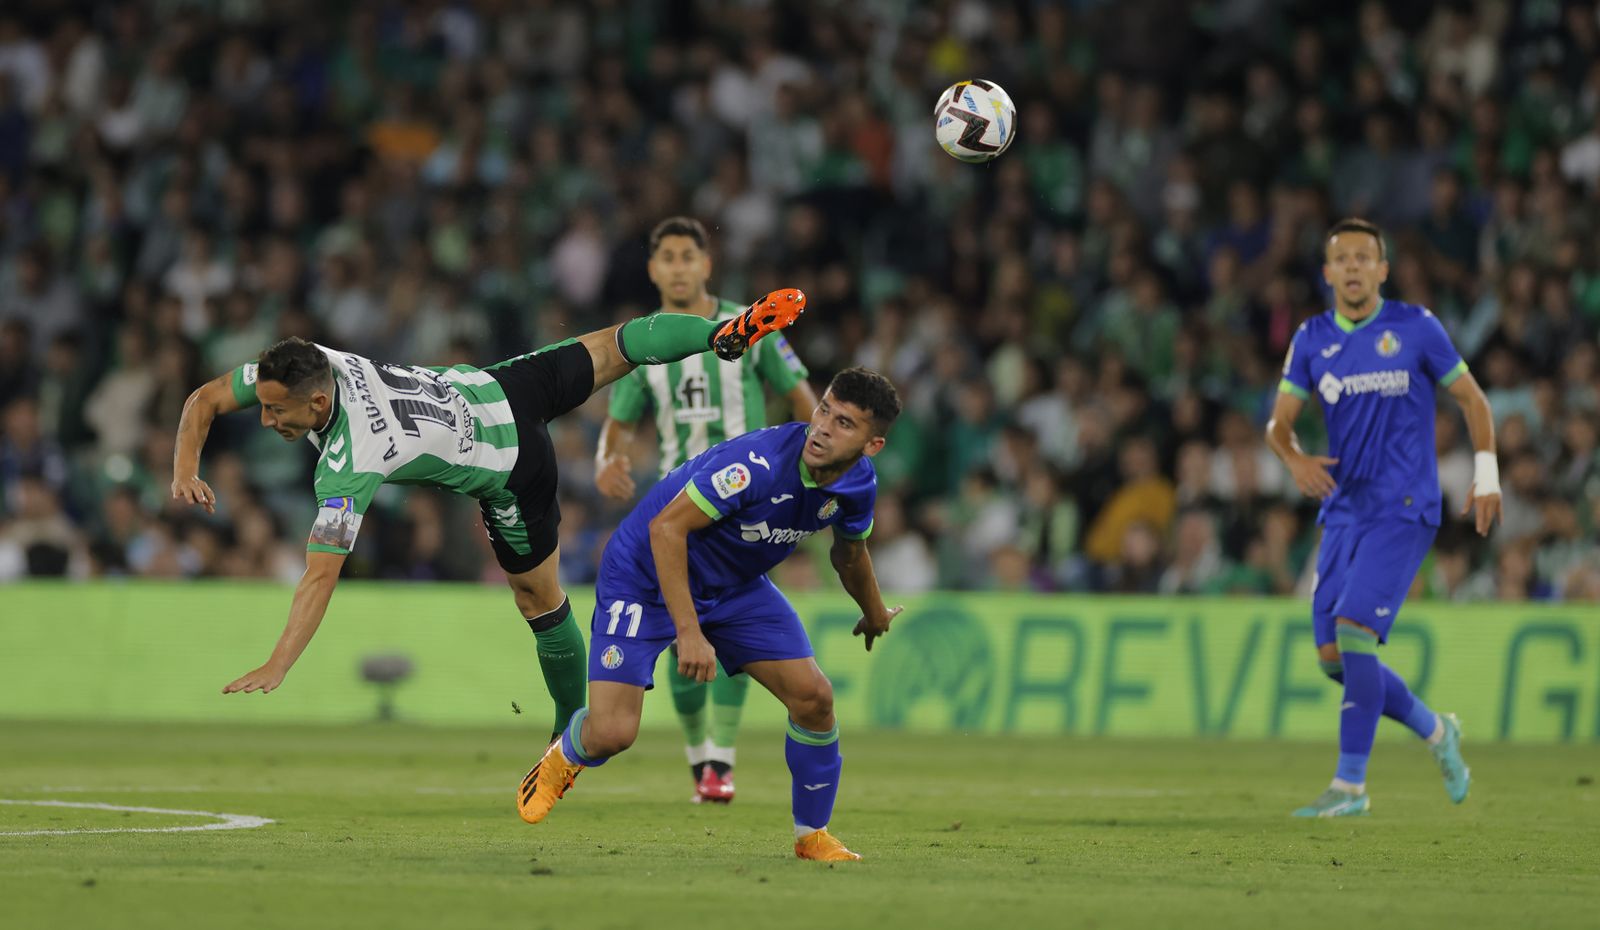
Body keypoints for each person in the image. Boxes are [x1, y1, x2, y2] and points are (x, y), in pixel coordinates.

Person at [169, 291, 807, 747]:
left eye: (276, 411)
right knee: (618, 344)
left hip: (512, 468)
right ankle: (721, 332)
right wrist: (184, 468)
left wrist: (279, 663)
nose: (265, 418)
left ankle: (569, 732)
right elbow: (206, 399)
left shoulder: (348, 460)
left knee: (540, 599)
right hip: (500, 386)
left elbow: (319, 576)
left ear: (316, 401)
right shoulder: (312, 362)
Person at [517, 368, 904, 862]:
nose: (823, 426)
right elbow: (665, 531)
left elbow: (850, 554)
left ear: (872, 445)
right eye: (823, 408)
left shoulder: (858, 486)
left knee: (814, 698)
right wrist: (690, 633)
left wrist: (873, 613)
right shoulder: (757, 464)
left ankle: (812, 836)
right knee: (612, 733)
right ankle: (562, 757)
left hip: (733, 586)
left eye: (844, 423)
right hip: (644, 576)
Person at [1266, 218, 1499, 817]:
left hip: (1404, 505)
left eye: (1363, 257)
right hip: (1343, 510)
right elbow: (1278, 424)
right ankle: (1436, 730)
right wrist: (1291, 461)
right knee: (1334, 661)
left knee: (1353, 633)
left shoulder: (1416, 328)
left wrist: (1488, 474)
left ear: (1382, 270)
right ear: (1326, 273)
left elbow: (1473, 399)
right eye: (1340, 257)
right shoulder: (1312, 338)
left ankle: (1350, 787)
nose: (1351, 266)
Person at [595, 216, 817, 803]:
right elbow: (617, 422)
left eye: (687, 255)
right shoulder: (645, 338)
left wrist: (824, 461)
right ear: (652, 269)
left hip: (748, 503)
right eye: (666, 257)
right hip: (679, 506)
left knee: (734, 631)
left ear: (706, 264)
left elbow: (801, 398)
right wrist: (606, 459)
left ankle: (721, 755)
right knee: (681, 633)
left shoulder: (752, 326)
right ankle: (702, 759)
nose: (677, 266)